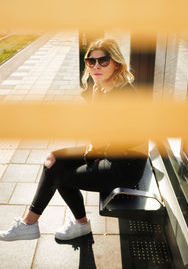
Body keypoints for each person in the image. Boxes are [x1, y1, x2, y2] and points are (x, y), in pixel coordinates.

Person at [0, 38, 148, 241]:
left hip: (126, 164)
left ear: (116, 64)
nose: (96, 66)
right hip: (110, 152)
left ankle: (52, 224)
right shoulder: (101, 88)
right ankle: (35, 223)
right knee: (52, 160)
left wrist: (98, 150)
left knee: (60, 175)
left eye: (103, 61)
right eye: (91, 61)